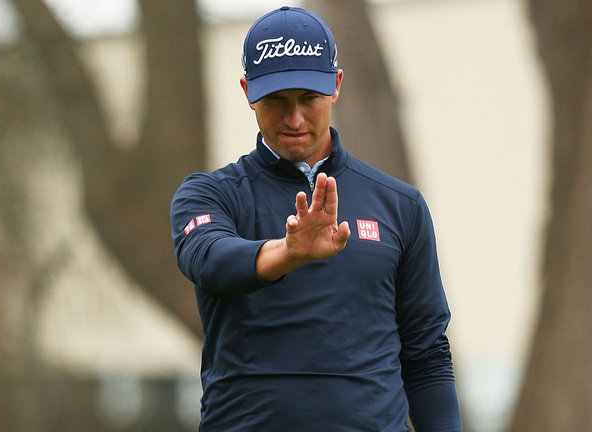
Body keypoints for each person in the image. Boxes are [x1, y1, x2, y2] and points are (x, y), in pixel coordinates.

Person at [170, 6, 462, 431]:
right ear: (247, 91)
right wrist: (288, 253)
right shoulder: (209, 195)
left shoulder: (400, 205)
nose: (294, 119)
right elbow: (211, 261)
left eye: (308, 98)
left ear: (336, 86)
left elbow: (426, 355)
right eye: (276, 101)